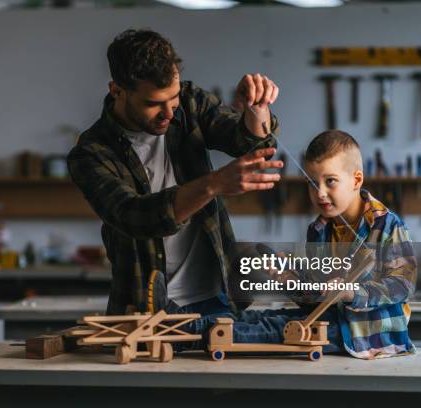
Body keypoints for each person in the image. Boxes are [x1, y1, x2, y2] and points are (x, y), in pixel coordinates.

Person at [67, 28, 283, 316]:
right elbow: (135, 216)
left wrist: (257, 110)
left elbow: (242, 139)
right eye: (153, 104)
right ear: (117, 90)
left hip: (218, 299)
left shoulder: (190, 103)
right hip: (145, 310)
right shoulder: (91, 152)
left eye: (173, 98)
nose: (169, 112)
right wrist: (213, 185)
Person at [189, 130, 418, 359]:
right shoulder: (318, 230)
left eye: (330, 181)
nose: (320, 193)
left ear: (356, 180)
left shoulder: (388, 225)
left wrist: (352, 292)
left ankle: (190, 335)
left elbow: (402, 285)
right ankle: (179, 324)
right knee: (260, 318)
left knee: (271, 331)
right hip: (326, 321)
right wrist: (289, 279)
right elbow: (313, 300)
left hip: (363, 333)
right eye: (312, 183)